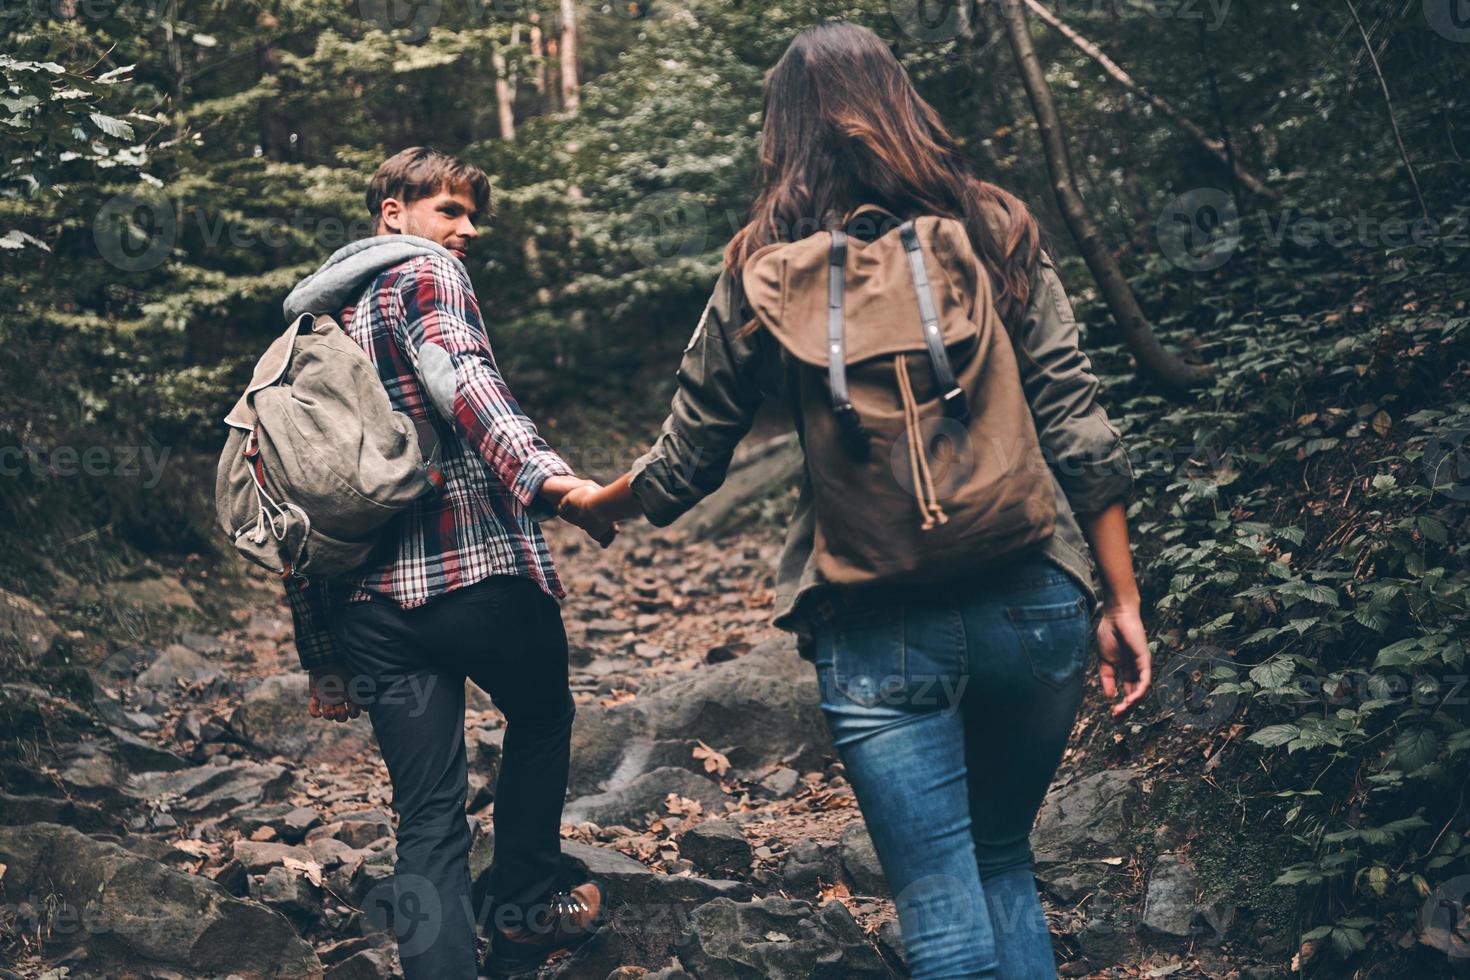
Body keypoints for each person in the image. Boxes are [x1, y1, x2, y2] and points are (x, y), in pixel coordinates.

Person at [559, 23, 1151, 980]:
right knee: (1003, 860)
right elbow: (1079, 426)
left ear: (781, 135)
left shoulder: (762, 264)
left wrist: (601, 502)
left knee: (941, 910)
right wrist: (1120, 601)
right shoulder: (995, 227)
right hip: (1032, 596)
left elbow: (687, 461)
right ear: (903, 102)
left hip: (872, 621)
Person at [281, 147, 616, 979]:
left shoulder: (308, 330)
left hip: (366, 609)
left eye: (472, 217)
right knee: (541, 717)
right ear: (393, 212)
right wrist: (552, 483)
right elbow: (461, 376)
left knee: (426, 815)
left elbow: (298, 490)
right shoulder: (424, 276)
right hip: (473, 576)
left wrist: (319, 652)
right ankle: (528, 915)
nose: (465, 231)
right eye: (449, 210)